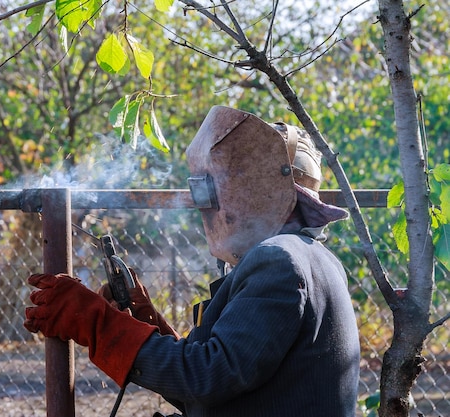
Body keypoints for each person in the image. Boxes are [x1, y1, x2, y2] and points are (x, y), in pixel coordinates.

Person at [23, 106, 361, 417]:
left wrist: (96, 322)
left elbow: (206, 378)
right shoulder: (310, 256)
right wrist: (145, 319)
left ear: (261, 190)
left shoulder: (279, 262)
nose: (208, 204)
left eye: (216, 188)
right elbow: (213, 380)